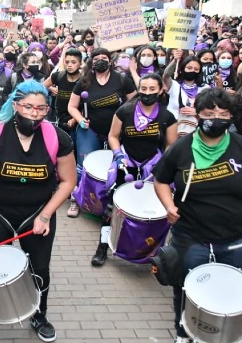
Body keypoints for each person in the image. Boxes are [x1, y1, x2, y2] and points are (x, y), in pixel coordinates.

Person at [0, 80, 77, 343]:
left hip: (37, 214)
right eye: (28, 106)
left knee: (40, 268)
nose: (34, 113)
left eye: (41, 109)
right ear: (15, 104)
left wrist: (46, 215)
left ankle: (39, 314)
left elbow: (68, 181)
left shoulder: (58, 138)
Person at [152, 88, 242, 343]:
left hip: (236, 235)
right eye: (209, 113)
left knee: (237, 286)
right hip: (191, 235)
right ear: (198, 114)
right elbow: (160, 180)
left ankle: (233, 333)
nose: (216, 118)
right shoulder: (181, 149)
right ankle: (183, 334)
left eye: (223, 113)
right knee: (186, 286)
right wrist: (169, 206)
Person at [91, 73, 177, 265]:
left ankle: (149, 250)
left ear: (161, 90)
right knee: (113, 208)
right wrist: (118, 155)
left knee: (152, 209)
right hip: (126, 164)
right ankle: (103, 246)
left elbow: (171, 143)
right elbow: (113, 136)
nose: (147, 93)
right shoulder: (125, 111)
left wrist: (162, 163)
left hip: (154, 167)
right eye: (143, 89)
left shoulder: (167, 117)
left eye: (152, 89)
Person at [67, 48, 137, 175]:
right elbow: (72, 106)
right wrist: (80, 120)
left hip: (117, 132)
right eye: (96, 59)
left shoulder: (122, 79)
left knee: (116, 166)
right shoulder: (83, 82)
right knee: (85, 167)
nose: (100, 61)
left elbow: (135, 102)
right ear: (91, 62)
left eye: (104, 58)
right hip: (90, 130)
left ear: (110, 61)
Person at [163, 56, 210, 137]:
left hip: (196, 130)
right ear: (182, 68)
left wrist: (197, 112)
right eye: (189, 68)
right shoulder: (174, 85)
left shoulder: (205, 88)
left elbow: (209, 110)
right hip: (173, 127)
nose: (192, 71)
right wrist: (175, 60)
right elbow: (166, 75)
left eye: (196, 69)